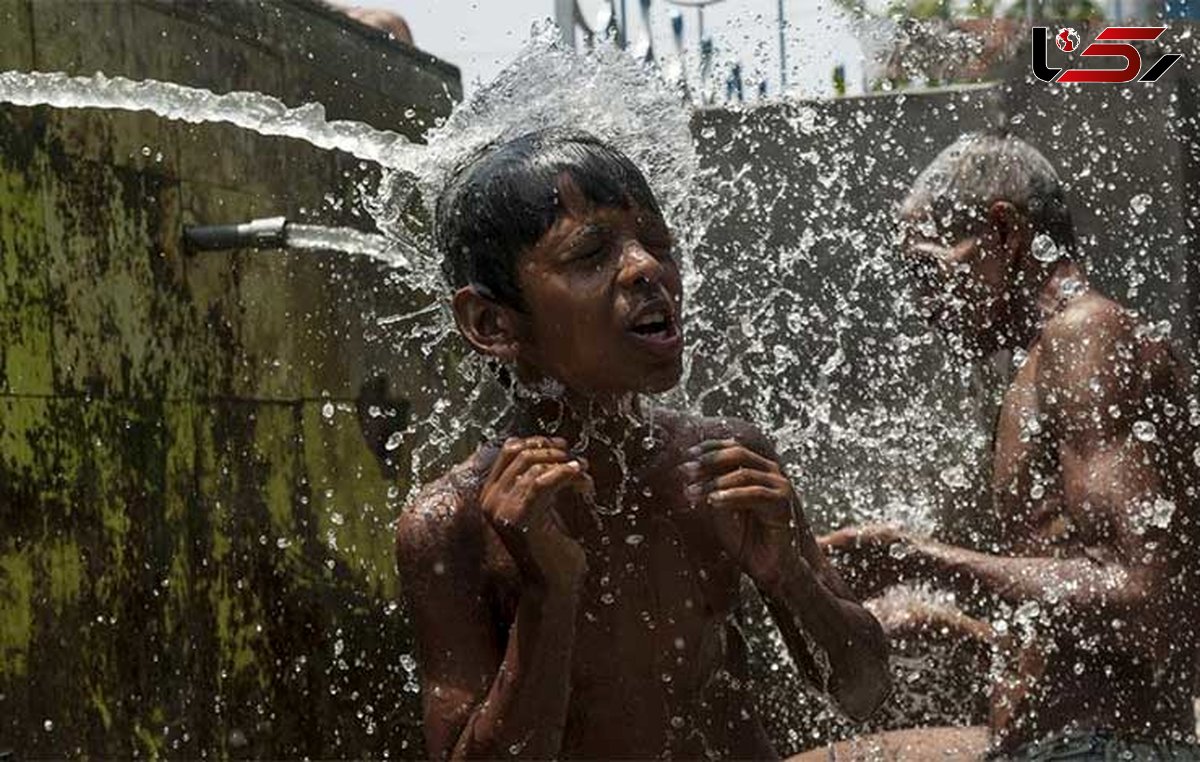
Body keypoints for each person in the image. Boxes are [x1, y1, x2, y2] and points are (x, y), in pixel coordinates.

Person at [395, 129, 890, 759]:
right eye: (591, 254)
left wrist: (788, 576)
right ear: (492, 323)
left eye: (658, 245)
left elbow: (864, 691)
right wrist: (549, 596)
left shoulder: (725, 462)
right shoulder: (456, 527)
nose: (647, 268)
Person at [821, 132, 1200, 760]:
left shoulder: (1086, 335)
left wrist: (916, 558)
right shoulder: (1051, 353)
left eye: (927, 267)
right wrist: (955, 626)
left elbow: (1141, 597)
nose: (923, 304)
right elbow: (1090, 630)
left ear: (1002, 233)